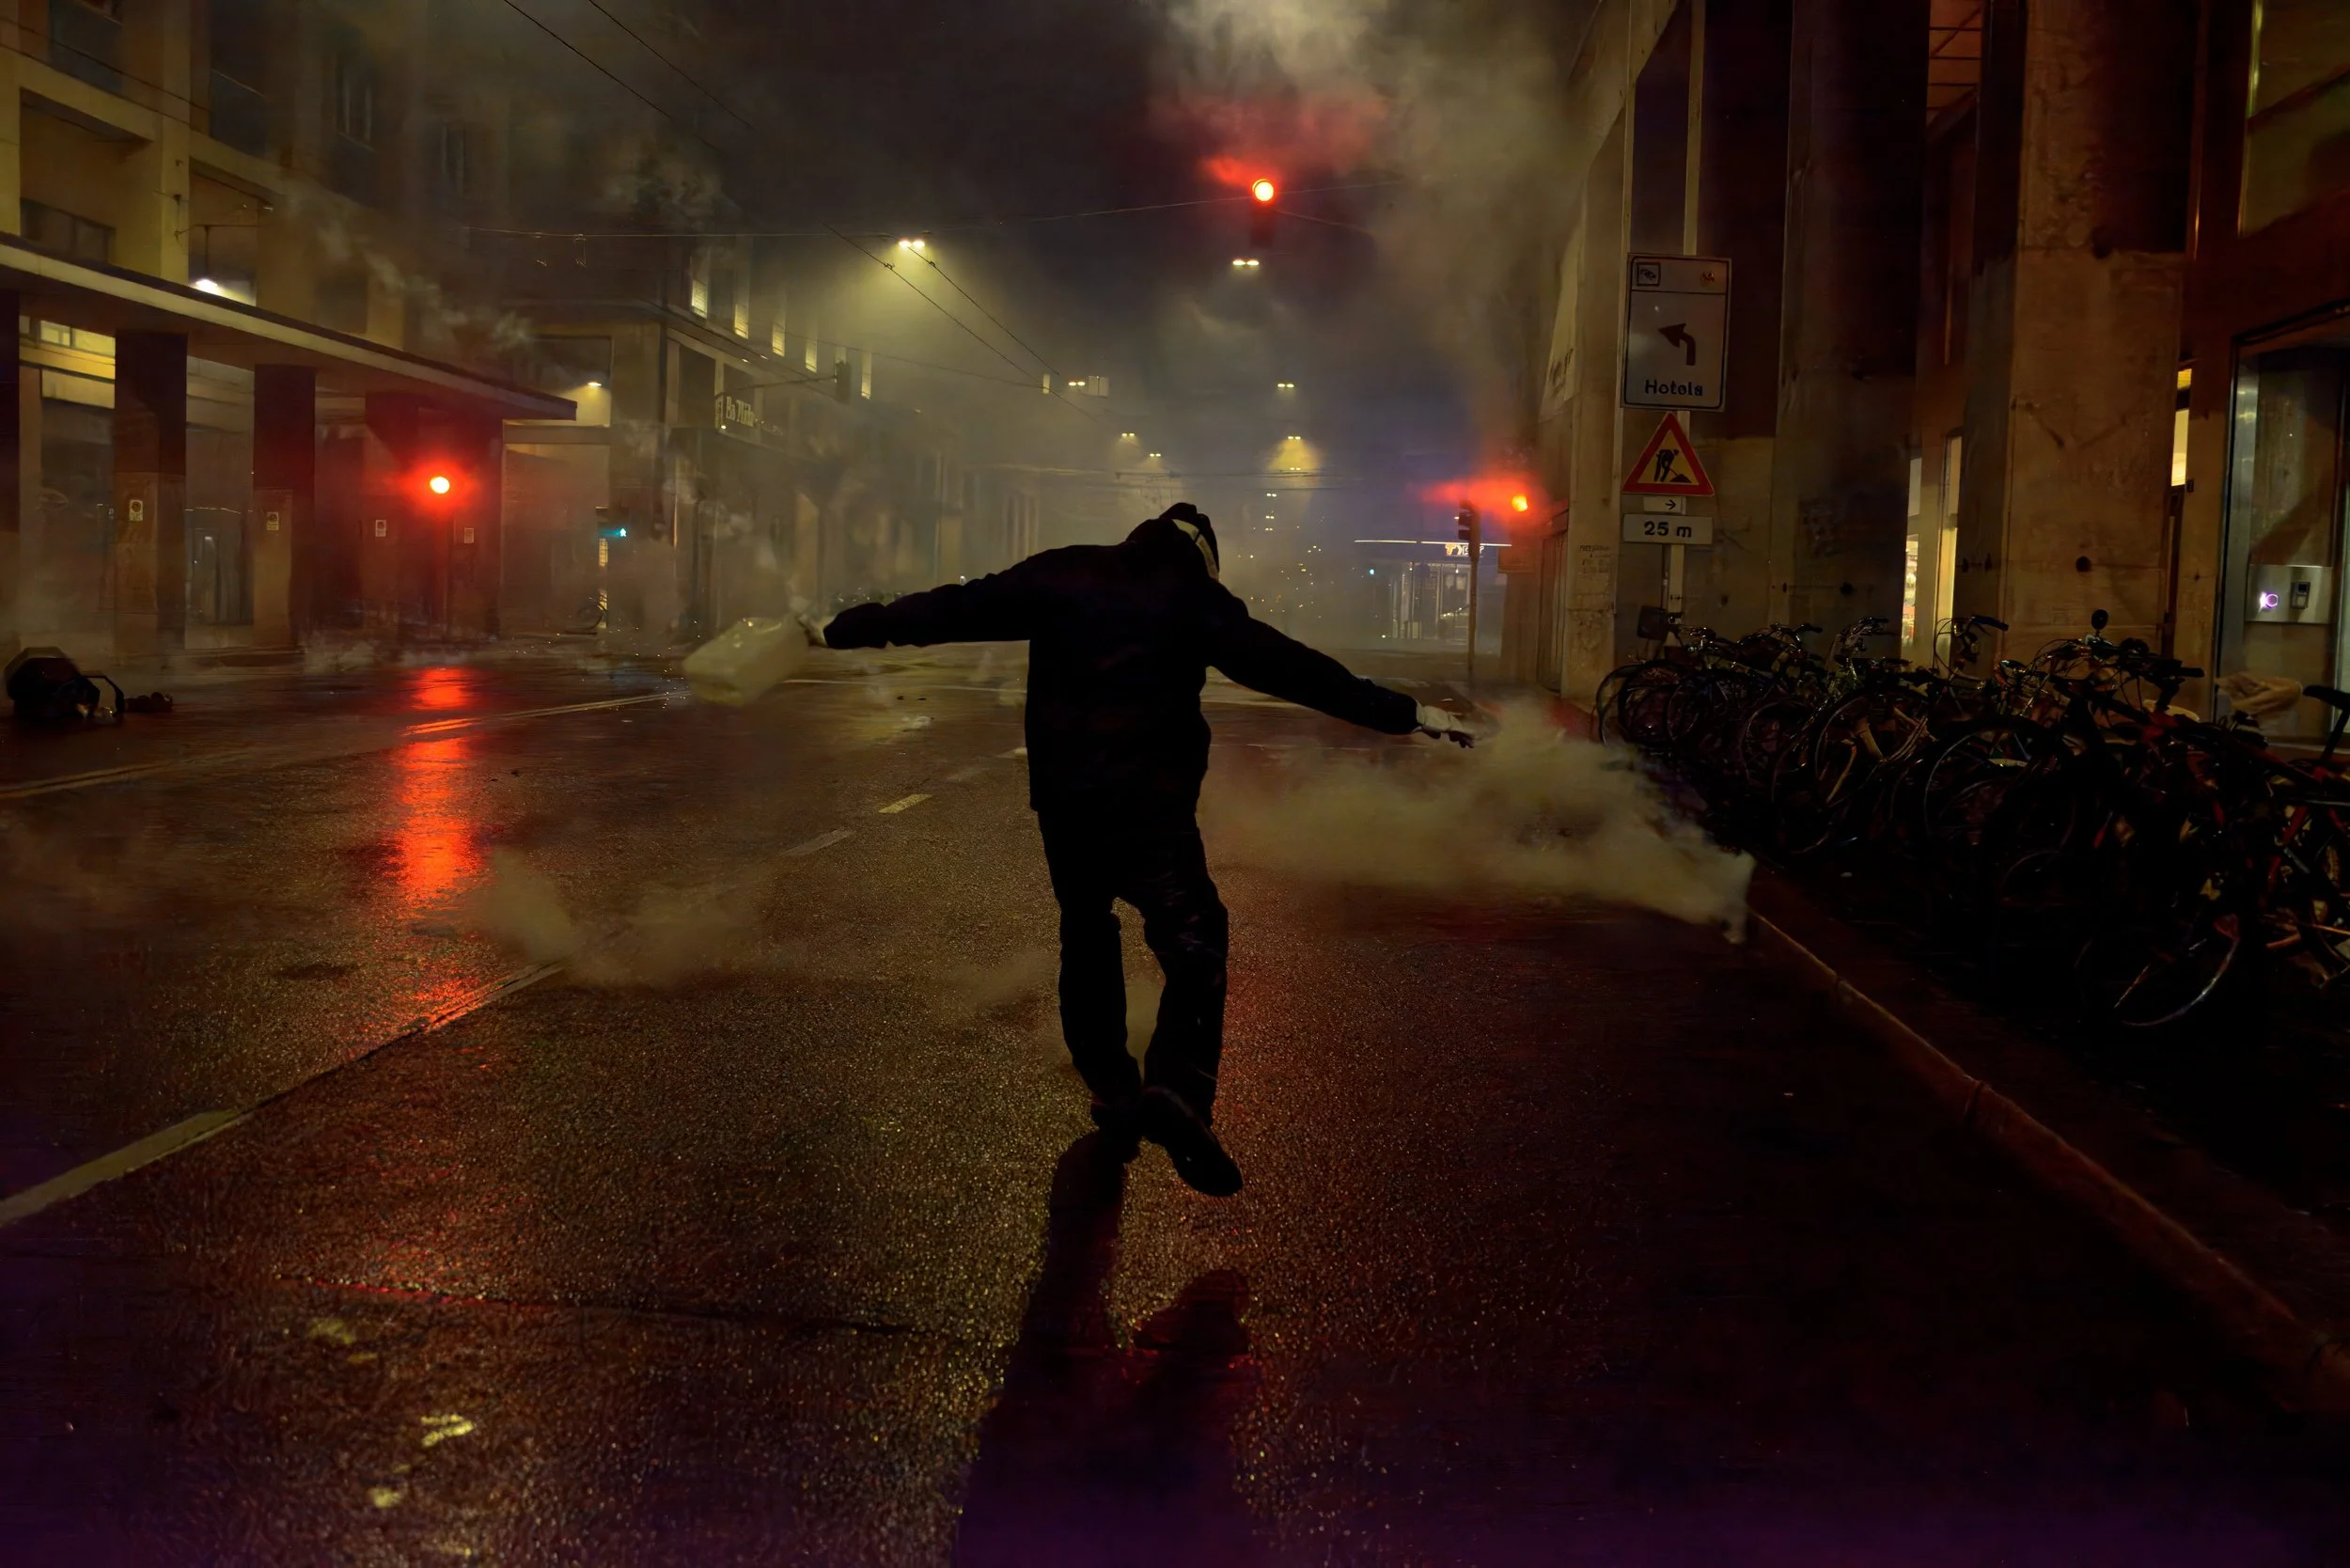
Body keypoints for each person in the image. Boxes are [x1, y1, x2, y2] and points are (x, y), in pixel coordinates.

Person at [813, 504, 1475, 1196]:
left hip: (1065, 803)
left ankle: (1113, 1088)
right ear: (1203, 555)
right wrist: (1412, 715)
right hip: (1149, 808)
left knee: (1087, 929)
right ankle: (1178, 1087)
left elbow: (953, 610)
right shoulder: (1194, 598)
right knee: (1194, 941)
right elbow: (1297, 672)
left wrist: (851, 627)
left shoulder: (1064, 570)